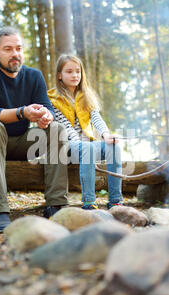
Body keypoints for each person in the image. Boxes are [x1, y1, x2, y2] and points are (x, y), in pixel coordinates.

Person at [0, 27, 69, 233]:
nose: (15, 54)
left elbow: (48, 107)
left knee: (57, 129)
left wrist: (46, 116)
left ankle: (56, 206)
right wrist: (21, 112)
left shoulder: (34, 76)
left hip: (25, 142)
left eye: (18, 48)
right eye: (8, 49)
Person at [48, 54, 123, 210]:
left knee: (114, 147)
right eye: (69, 71)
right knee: (88, 148)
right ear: (59, 75)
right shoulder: (52, 98)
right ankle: (89, 202)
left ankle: (115, 200)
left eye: (78, 71)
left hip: (86, 145)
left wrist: (106, 135)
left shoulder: (86, 96)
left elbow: (96, 119)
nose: (75, 75)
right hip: (67, 146)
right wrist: (81, 144)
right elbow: (65, 126)